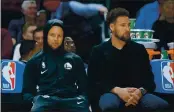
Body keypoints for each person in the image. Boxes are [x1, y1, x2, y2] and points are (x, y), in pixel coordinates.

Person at [88, 8, 169, 112]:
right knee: (109, 104)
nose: (127, 29)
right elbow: (93, 83)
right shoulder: (98, 51)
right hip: (111, 93)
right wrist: (117, 90)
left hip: (137, 95)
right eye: (123, 25)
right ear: (112, 27)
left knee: (162, 105)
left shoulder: (139, 49)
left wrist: (140, 92)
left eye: (128, 25)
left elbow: (149, 82)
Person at [22, 19, 89, 112]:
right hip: (45, 100)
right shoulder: (34, 61)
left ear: (63, 37)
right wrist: (34, 100)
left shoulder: (75, 60)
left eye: (59, 36)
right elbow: (27, 92)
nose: (56, 39)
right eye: (52, 35)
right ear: (46, 36)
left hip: (71, 100)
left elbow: (84, 88)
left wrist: (83, 99)